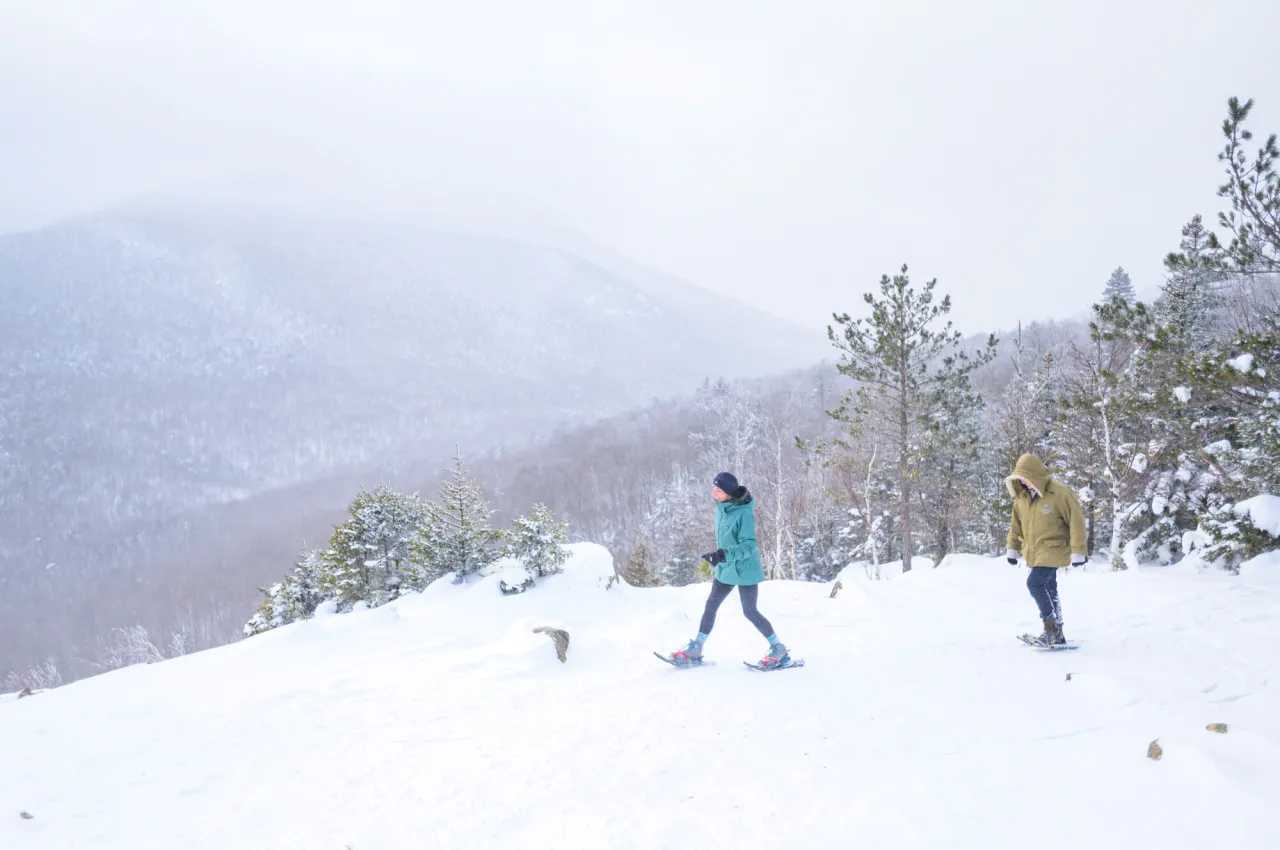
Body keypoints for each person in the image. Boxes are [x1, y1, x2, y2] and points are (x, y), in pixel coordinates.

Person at [669, 472, 790, 667]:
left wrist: (722, 554)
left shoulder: (744, 514)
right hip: (726, 568)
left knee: (750, 611)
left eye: (718, 490)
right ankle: (697, 647)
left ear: (729, 493)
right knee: (711, 606)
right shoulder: (721, 508)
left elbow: (749, 546)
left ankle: (779, 649)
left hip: (745, 569)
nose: (714, 493)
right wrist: (719, 556)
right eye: (713, 488)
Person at [1005, 453, 1088, 646]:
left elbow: (1076, 521)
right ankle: (1057, 633)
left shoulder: (1060, 493)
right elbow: (1015, 526)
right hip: (1034, 552)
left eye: (1026, 477)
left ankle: (1051, 629)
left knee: (1034, 584)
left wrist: (1079, 551)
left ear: (1036, 475)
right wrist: (1012, 548)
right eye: (1020, 478)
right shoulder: (1022, 497)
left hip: (1055, 549)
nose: (1024, 482)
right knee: (1050, 589)